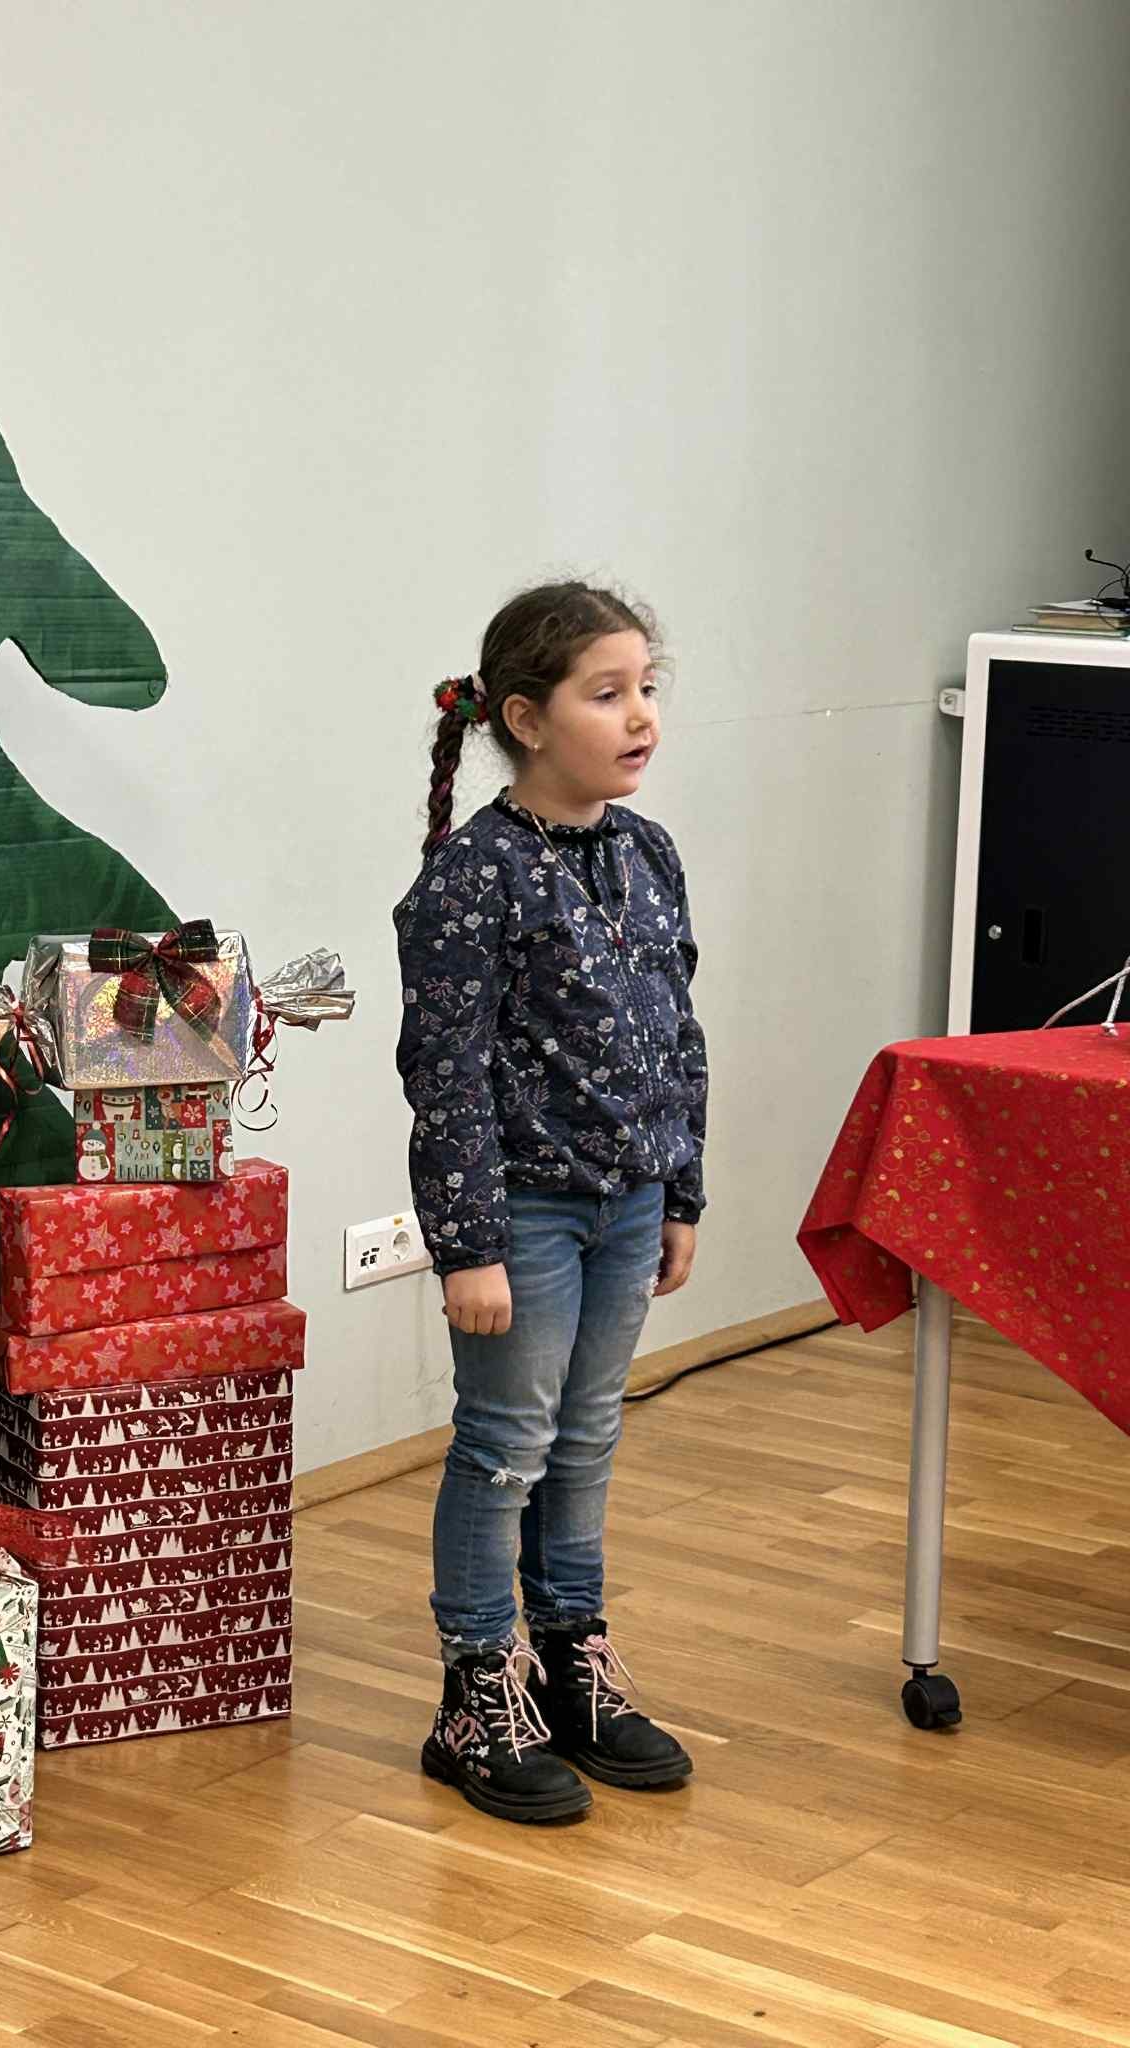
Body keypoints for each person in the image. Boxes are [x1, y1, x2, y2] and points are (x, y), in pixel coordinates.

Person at [393, 581, 707, 1825]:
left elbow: (678, 1032)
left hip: (629, 1202)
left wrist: (681, 1184)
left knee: (586, 1438)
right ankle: (477, 1690)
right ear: (525, 718)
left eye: (646, 689)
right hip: (522, 1215)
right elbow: (447, 1072)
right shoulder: (475, 876)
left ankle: (571, 1661)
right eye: (607, 693)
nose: (640, 717)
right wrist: (468, 1243)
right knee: (505, 1446)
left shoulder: (648, 853)